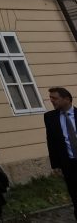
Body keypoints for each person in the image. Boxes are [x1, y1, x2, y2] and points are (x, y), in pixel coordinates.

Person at [44, 87, 77, 219]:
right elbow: (51, 142)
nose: (52, 100)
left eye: (55, 98)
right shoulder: (50, 117)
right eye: (50, 98)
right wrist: (56, 166)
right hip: (68, 164)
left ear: (67, 99)